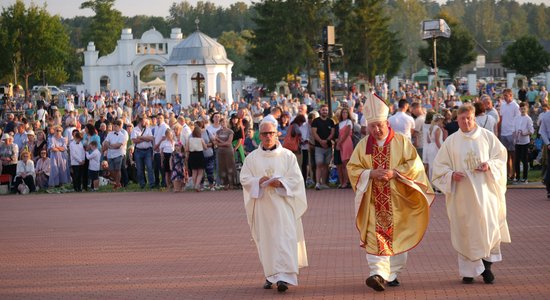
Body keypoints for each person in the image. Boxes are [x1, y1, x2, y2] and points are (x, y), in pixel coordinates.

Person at [347, 93, 434, 292]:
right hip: (372, 202)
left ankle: (392, 273)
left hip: (398, 200)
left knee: (397, 236)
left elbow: (415, 165)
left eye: (379, 125)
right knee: (373, 236)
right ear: (367, 126)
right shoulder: (362, 146)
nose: (376, 130)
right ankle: (377, 274)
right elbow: (353, 168)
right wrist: (370, 173)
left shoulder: (402, 143)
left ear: (387, 122)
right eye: (372, 126)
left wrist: (395, 173)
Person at [431, 105, 510, 284]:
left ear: (474, 118)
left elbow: (501, 158)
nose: (466, 122)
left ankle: (487, 268)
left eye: (469, 118)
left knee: (487, 228)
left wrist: (489, 165)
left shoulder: (487, 137)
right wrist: (451, 175)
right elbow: (439, 167)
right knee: (465, 231)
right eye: (462, 118)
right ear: (457, 120)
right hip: (462, 196)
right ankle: (468, 271)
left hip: (485, 194)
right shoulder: (451, 141)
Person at [240, 120, 308, 293]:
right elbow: (245, 179)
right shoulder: (252, 158)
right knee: (267, 241)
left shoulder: (287, 156)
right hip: (263, 207)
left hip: (283, 206)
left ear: (277, 133)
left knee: (285, 239)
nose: (268, 137)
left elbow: (296, 180)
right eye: (264, 134)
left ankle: (284, 278)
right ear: (259, 135)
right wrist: (257, 181)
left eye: (271, 133)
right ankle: (271, 276)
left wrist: (281, 183)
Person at [311, 104, 335, 190]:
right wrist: (321, 141)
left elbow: (332, 133)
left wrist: (327, 141)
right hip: (318, 147)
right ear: (320, 111)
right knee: (319, 164)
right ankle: (317, 183)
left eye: (326, 110)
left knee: (326, 165)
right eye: (323, 110)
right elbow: (314, 132)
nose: (325, 111)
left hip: (328, 147)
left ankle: (324, 183)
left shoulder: (331, 121)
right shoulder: (316, 121)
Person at [499, 89, 521, 181]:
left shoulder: (515, 106)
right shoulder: (503, 105)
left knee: (513, 154)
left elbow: (518, 119)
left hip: (511, 132)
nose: (505, 97)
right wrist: (499, 130)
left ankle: (514, 173)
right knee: (506, 155)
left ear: (511, 95)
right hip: (504, 132)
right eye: (504, 95)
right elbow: (501, 117)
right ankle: (508, 173)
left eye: (506, 95)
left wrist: (515, 131)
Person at [512, 103, 534, 183]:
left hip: (525, 142)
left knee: (524, 160)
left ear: (527, 109)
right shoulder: (516, 118)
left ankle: (525, 177)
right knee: (517, 160)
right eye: (521, 109)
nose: (523, 110)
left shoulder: (528, 118)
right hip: (517, 141)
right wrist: (515, 136)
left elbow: (531, 131)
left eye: (524, 109)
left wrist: (524, 133)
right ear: (519, 109)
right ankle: (517, 177)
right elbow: (513, 129)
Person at [335, 107, 354, 188]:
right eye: (343, 112)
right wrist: (338, 143)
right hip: (341, 142)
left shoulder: (349, 122)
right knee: (343, 163)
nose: (344, 114)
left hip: (347, 142)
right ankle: (346, 181)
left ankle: (347, 182)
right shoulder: (340, 123)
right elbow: (339, 135)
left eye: (346, 112)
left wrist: (339, 143)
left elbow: (346, 134)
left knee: (347, 162)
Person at [187, 126, 207, 192]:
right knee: (200, 172)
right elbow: (205, 147)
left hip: (192, 155)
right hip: (199, 155)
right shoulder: (201, 139)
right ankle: (197, 185)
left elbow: (187, 149)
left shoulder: (189, 139)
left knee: (194, 172)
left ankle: (194, 184)